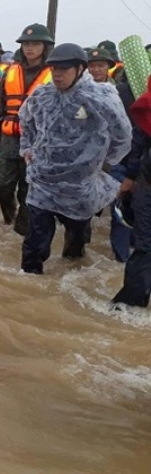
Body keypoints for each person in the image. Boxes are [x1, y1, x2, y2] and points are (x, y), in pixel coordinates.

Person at [18, 44, 132, 274]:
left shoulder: (100, 96)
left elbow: (122, 133)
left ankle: (74, 271)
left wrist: (105, 161)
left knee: (76, 240)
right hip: (44, 179)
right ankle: (31, 281)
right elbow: (25, 121)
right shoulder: (42, 94)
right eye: (53, 69)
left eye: (64, 69)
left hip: (79, 184)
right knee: (34, 241)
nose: (57, 75)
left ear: (80, 68)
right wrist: (27, 149)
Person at [0, 23, 54, 236]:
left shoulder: (54, 74)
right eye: (26, 44)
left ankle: (21, 234)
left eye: (35, 44)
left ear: (45, 46)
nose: (30, 48)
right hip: (8, 138)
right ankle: (10, 214)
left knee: (28, 190)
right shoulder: (10, 72)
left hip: (37, 142)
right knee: (0, 186)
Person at [113, 74, 151, 306]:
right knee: (145, 247)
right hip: (147, 183)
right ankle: (129, 306)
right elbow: (140, 139)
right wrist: (129, 176)